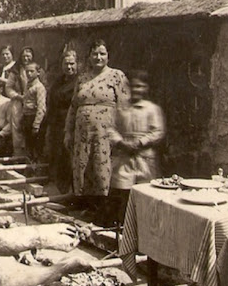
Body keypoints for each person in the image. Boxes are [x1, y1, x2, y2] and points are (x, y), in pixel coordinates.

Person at [64, 39, 130, 220]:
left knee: (103, 168)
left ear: (108, 56)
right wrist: (68, 132)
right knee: (82, 167)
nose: (98, 57)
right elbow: (73, 106)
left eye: (102, 53)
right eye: (95, 54)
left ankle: (104, 212)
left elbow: (125, 108)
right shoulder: (83, 77)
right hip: (82, 133)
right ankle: (87, 208)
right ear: (89, 56)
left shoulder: (117, 76)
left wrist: (121, 134)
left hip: (105, 133)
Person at [109, 69, 165, 224]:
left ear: (146, 88)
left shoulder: (152, 109)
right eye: (133, 86)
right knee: (123, 194)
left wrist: (141, 142)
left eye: (140, 86)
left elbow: (158, 131)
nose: (136, 90)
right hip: (125, 157)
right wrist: (121, 142)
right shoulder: (121, 108)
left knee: (145, 194)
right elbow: (110, 128)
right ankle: (122, 232)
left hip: (144, 158)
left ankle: (144, 231)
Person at [46, 50, 79, 194]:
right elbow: (51, 104)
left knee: (70, 160)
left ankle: (73, 194)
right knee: (59, 159)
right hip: (56, 126)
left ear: (77, 64)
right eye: (66, 64)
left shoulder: (80, 81)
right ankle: (63, 193)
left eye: (72, 63)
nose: (69, 67)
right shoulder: (58, 82)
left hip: (72, 126)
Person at [5, 46, 36, 156]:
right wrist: (18, 96)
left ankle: (31, 155)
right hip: (18, 102)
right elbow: (8, 87)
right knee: (17, 127)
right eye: (23, 56)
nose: (26, 58)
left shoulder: (37, 69)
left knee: (31, 127)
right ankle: (18, 154)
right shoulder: (16, 70)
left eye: (28, 56)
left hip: (33, 103)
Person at [22, 62, 47, 161]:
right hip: (27, 118)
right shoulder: (28, 85)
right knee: (29, 147)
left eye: (31, 71)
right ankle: (30, 168)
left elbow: (41, 108)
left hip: (34, 119)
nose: (29, 74)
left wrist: (36, 125)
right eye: (27, 71)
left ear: (38, 72)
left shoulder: (39, 87)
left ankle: (38, 169)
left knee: (37, 147)